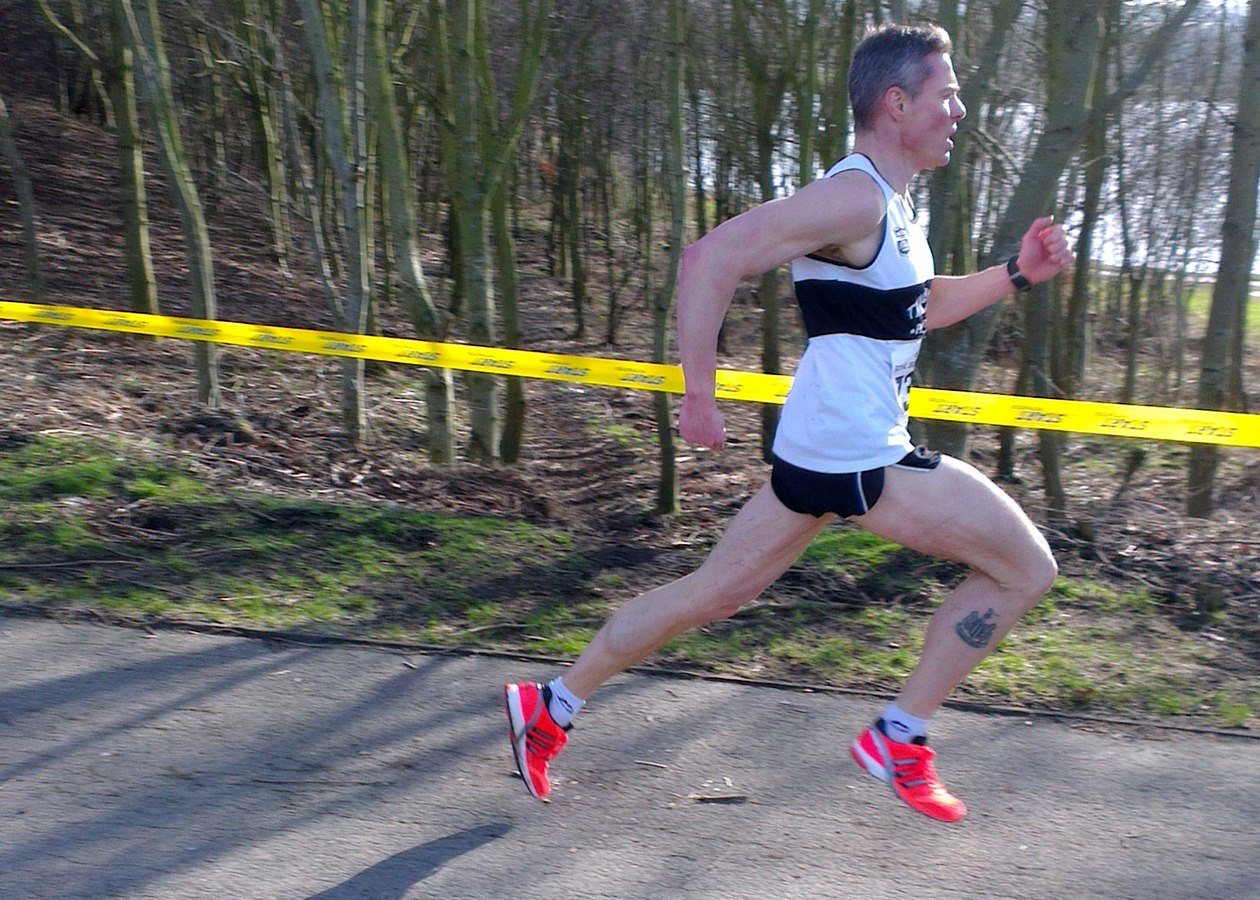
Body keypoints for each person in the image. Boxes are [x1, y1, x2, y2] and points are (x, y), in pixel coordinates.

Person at [504, 22, 1073, 823]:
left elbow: (920, 307)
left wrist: (1016, 273)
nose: (960, 111)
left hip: (826, 445)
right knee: (1025, 567)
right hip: (854, 449)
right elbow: (709, 258)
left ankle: (550, 704)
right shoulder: (854, 194)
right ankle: (899, 737)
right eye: (946, 96)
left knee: (714, 592)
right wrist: (699, 394)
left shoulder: (891, 203)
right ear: (896, 101)